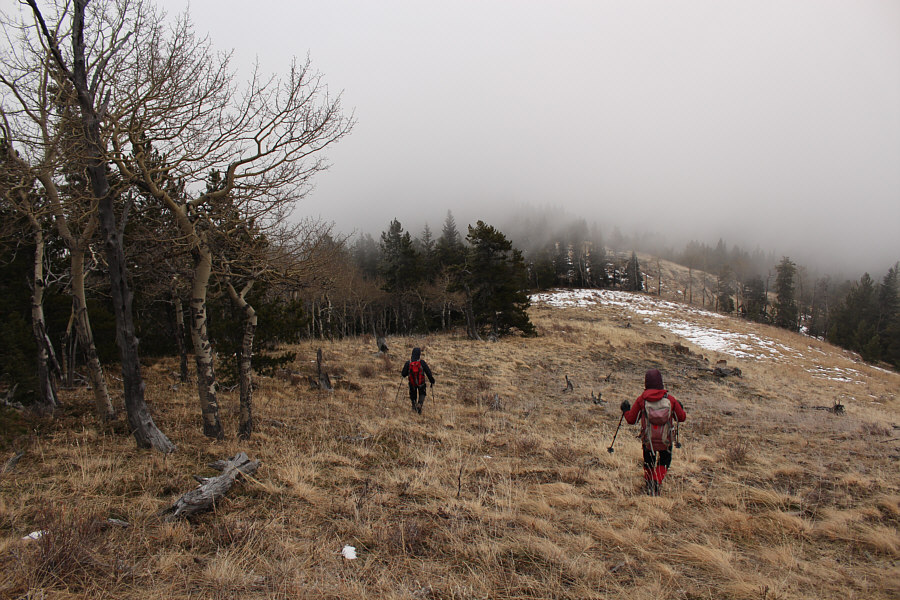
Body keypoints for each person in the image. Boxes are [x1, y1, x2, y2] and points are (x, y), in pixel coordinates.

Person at [620, 369, 686, 496]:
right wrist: (680, 408)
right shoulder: (670, 400)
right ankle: (657, 481)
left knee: (648, 460)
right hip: (665, 439)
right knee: (665, 460)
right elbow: (681, 418)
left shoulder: (642, 400)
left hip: (648, 439)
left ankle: (649, 482)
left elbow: (631, 419)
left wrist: (625, 410)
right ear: (661, 382)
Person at [401, 347, 435, 414]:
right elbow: (428, 372)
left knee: (413, 394)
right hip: (421, 383)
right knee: (422, 393)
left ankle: (414, 405)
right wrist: (432, 380)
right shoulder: (422, 362)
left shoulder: (408, 363)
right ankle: (420, 404)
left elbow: (403, 374)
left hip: (412, 383)